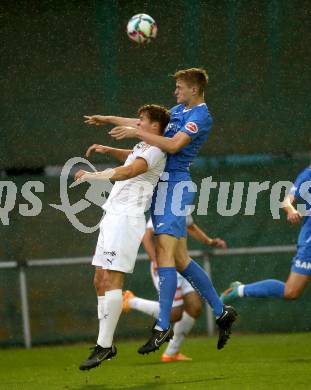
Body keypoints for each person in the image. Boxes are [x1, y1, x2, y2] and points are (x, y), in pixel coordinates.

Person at [84, 68, 237, 354]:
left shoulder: (200, 116)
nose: (175, 92)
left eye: (179, 87)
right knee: (180, 259)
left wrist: (136, 132)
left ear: (194, 89)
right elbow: (142, 124)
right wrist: (107, 119)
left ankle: (162, 324)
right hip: (162, 187)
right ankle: (221, 311)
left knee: (165, 253)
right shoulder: (179, 111)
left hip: (175, 186)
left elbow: (173, 143)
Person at [77, 104, 170, 370]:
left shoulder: (156, 149)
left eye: (141, 120)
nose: (136, 123)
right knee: (99, 280)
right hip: (113, 214)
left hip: (128, 218)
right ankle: (104, 342)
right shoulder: (142, 146)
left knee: (111, 280)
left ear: (154, 126)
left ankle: (104, 346)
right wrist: (109, 148)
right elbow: (129, 158)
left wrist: (94, 175)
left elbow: (130, 171)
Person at [122, 215, 227, 362]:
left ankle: (171, 353)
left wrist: (209, 241)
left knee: (195, 307)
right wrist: (156, 260)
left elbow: (191, 226)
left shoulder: (183, 206)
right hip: (166, 267)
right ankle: (131, 301)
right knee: (175, 313)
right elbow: (146, 235)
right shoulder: (164, 206)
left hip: (182, 265)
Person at [220, 165, 311, 304]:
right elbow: (286, 201)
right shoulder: (307, 175)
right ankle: (240, 290)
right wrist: (291, 210)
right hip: (309, 241)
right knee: (291, 291)